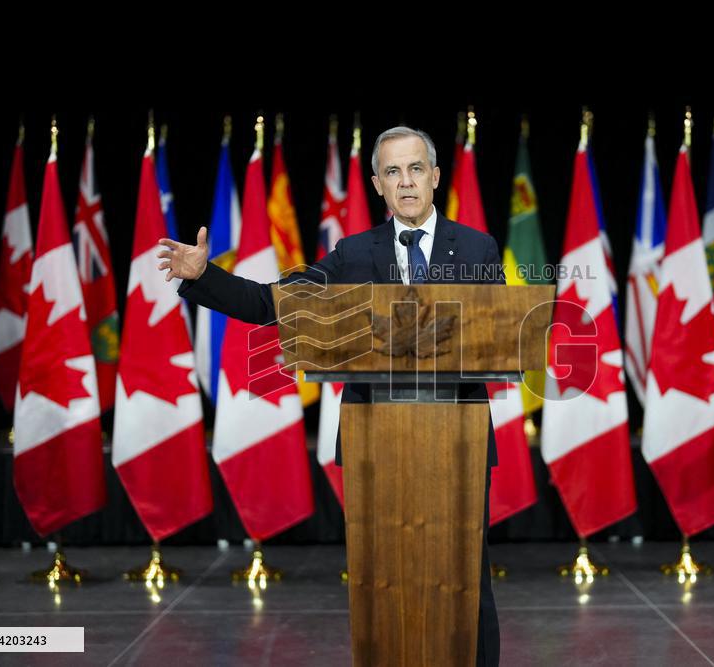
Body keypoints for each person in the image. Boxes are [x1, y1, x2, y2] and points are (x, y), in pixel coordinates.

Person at [158, 126, 503, 665]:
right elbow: (273, 303)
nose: (406, 182)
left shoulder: (478, 248)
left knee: (465, 578)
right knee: (381, 580)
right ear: (377, 184)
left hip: (458, 442)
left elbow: (498, 336)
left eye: (416, 169)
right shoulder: (353, 253)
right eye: (392, 172)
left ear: (435, 177)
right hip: (374, 442)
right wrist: (205, 277)